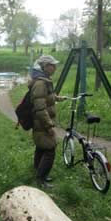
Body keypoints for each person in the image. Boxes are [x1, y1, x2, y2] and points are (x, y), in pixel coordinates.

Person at [29, 55, 67, 188]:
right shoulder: (40, 83)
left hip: (41, 122)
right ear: (45, 67)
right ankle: (41, 179)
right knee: (50, 148)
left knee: (41, 147)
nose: (55, 67)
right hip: (42, 122)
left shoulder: (44, 80)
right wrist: (49, 126)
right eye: (52, 65)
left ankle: (38, 172)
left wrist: (57, 98)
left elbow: (46, 97)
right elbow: (40, 109)